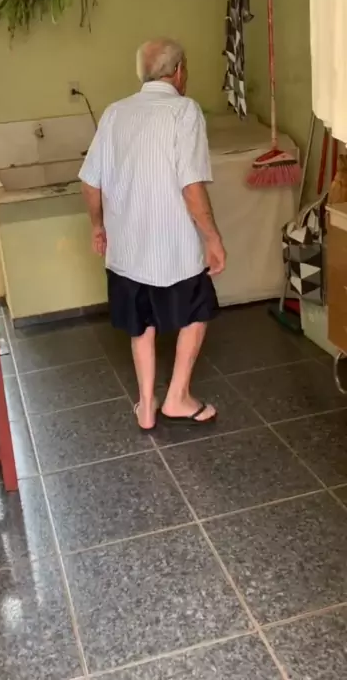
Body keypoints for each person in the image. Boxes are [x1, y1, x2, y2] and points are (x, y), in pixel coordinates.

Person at [79, 38, 226, 431]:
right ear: (178, 71)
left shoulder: (115, 113)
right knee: (197, 312)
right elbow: (191, 185)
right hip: (173, 247)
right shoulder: (184, 111)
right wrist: (212, 238)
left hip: (127, 248)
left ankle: (146, 405)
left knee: (140, 323)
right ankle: (177, 397)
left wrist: (97, 226)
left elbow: (90, 181)